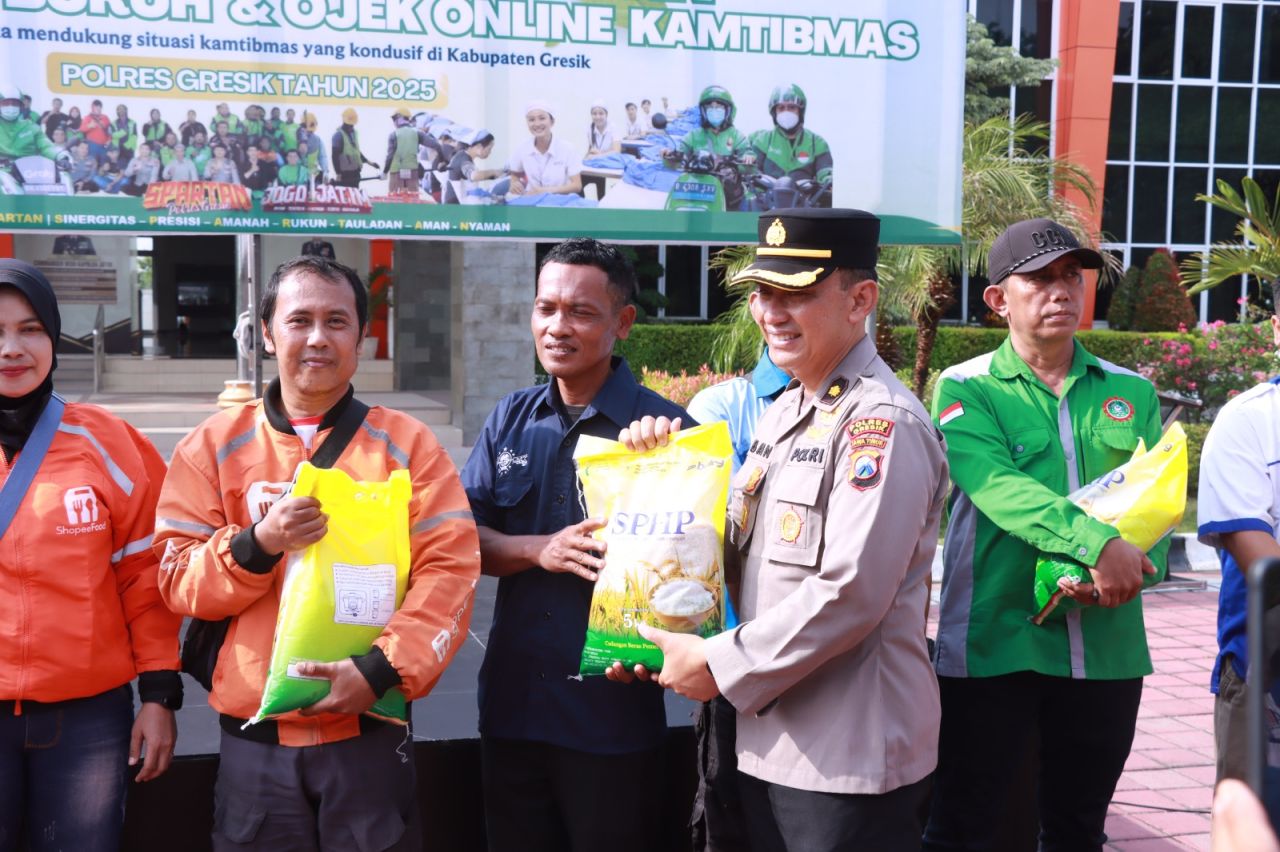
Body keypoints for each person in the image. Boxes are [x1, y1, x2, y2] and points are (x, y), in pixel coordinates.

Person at [614, 209, 947, 851]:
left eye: (795, 294)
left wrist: (717, 663)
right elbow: (738, 554)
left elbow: (851, 591)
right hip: (763, 737)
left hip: (845, 756)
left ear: (861, 300)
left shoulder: (881, 424)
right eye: (762, 293)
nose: (771, 312)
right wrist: (657, 477)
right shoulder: (787, 411)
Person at [155, 255, 481, 850]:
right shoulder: (210, 447)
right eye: (299, 320)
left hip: (369, 732)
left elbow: (451, 570)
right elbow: (177, 580)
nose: (317, 338)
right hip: (255, 738)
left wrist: (380, 670)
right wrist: (257, 544)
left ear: (361, 337)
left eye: (336, 321)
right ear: (267, 333)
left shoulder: (408, 445)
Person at [923, 218, 1168, 851]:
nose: (1061, 291)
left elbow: (1157, 502)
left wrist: (1134, 570)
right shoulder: (966, 387)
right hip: (995, 641)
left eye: (1071, 276)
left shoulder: (1131, 391)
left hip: (1108, 648)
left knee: (1078, 830)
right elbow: (999, 488)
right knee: (964, 826)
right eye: (1038, 279)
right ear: (998, 299)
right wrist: (1098, 545)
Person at [460, 238, 686, 852]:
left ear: (623, 322)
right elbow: (461, 541)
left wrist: (665, 468)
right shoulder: (510, 418)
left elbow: (696, 579)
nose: (557, 327)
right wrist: (539, 550)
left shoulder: (665, 434)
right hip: (513, 711)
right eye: (546, 308)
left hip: (611, 720)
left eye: (581, 312)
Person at [0, 259, 182, 852]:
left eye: (30, 329)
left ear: (54, 336)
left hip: (87, 722)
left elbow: (146, 577)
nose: (11, 349)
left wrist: (159, 697)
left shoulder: (109, 442)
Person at [680, 346, 789, 852]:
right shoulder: (721, 407)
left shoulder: (871, 408)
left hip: (829, 668)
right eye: (771, 304)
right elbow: (707, 532)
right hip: (736, 660)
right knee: (731, 823)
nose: (781, 314)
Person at [1197, 277, 1280, 785]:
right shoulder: (1249, 422)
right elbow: (1262, 562)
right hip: (1265, 675)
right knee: (1257, 820)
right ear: (1277, 329)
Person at [749, 84, 833, 206]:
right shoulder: (762, 140)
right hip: (767, 204)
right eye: (781, 108)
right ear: (774, 113)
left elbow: (825, 171)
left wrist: (828, 181)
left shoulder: (817, 143)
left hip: (804, 205)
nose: (786, 112)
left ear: (800, 111)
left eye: (791, 107)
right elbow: (752, 171)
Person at [506, 100, 582, 197]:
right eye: (531, 120)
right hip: (532, 200)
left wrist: (545, 191)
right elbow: (515, 174)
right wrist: (514, 184)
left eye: (542, 118)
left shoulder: (567, 149)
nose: (537, 124)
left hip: (560, 201)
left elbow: (577, 185)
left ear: (552, 122)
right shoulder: (522, 148)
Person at [674, 85, 750, 160]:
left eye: (719, 106)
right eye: (710, 106)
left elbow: (747, 155)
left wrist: (748, 158)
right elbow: (678, 159)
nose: (714, 110)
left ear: (728, 110)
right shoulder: (693, 136)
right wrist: (670, 156)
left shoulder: (737, 137)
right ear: (703, 111)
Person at [0, 88, 67, 166]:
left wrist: (61, 156)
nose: (11, 107)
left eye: (14, 104)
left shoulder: (30, 127)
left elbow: (46, 146)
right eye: (6, 103)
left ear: (21, 106)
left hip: (28, 169)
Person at [443, 129, 502, 204]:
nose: (490, 152)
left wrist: (495, 174)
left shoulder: (463, 156)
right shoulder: (463, 159)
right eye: (489, 149)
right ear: (479, 146)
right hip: (455, 208)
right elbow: (473, 176)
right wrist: (493, 172)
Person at [383, 106, 433, 194]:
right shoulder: (418, 133)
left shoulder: (393, 135)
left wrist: (384, 172)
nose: (393, 122)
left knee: (394, 196)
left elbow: (390, 156)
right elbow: (435, 145)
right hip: (412, 171)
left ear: (399, 118)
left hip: (396, 172)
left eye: (394, 119)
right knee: (413, 196)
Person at [332, 108, 377, 188]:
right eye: (349, 124)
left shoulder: (354, 134)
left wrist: (370, 163)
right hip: (345, 175)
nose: (351, 126)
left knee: (355, 193)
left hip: (355, 173)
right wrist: (338, 173)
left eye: (352, 124)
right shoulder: (338, 136)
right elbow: (335, 156)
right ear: (344, 122)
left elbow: (356, 152)